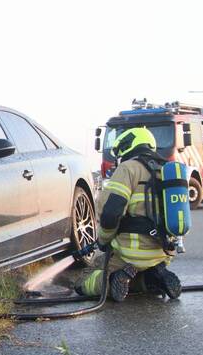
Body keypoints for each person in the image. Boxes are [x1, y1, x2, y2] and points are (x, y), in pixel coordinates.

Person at [74, 127, 181, 301]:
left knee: (83, 281)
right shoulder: (168, 170)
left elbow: (111, 214)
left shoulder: (128, 168)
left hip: (131, 253)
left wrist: (103, 240)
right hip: (163, 251)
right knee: (144, 268)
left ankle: (114, 279)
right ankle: (153, 277)